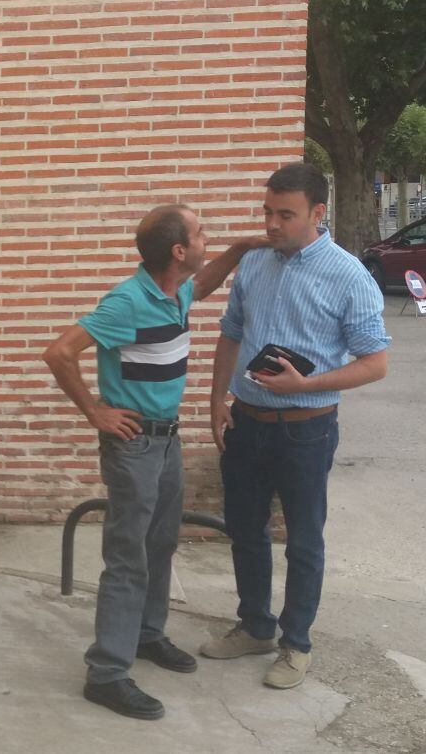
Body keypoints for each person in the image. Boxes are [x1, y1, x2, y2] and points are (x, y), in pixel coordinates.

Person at [43, 204, 269, 720]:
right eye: (201, 233)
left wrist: (238, 250)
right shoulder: (127, 302)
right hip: (134, 446)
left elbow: (205, 284)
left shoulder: (174, 289)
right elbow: (59, 352)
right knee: (128, 556)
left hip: (166, 442)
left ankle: (146, 635)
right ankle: (106, 672)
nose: (205, 239)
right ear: (178, 250)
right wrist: (94, 411)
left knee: (161, 543)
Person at [200, 163, 390, 689]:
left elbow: (375, 363)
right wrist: (217, 399)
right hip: (246, 422)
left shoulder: (348, 274)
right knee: (244, 530)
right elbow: (230, 334)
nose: (272, 224)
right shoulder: (256, 265)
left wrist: (303, 386)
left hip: (306, 429)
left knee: (304, 540)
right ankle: (255, 626)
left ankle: (296, 643)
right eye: (267, 212)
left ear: (318, 213)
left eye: (285, 214)